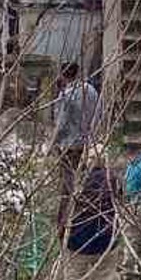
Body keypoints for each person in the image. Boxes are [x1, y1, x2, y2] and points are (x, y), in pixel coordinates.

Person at [55, 146, 121, 280]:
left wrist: (61, 235)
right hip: (107, 240)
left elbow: (64, 210)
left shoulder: (75, 181)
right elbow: (120, 204)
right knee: (105, 277)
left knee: (72, 279)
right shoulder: (113, 179)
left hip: (78, 241)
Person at [51, 62, 102, 194]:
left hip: (70, 145)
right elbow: (99, 113)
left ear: (62, 75)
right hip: (89, 143)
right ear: (78, 73)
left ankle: (68, 210)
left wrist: (54, 142)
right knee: (85, 180)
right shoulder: (91, 90)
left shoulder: (66, 96)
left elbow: (61, 124)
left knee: (68, 183)